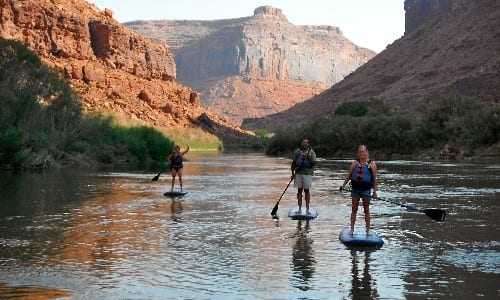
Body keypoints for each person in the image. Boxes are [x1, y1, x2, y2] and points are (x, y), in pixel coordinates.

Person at [340, 145, 378, 235]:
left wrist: (375, 192)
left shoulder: (372, 164)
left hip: (366, 190)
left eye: (363, 152)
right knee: (354, 209)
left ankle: (368, 230)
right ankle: (352, 229)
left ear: (366, 152)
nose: (362, 154)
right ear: (358, 153)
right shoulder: (354, 163)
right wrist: (343, 185)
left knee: (366, 210)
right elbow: (349, 175)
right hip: (355, 190)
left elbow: (375, 179)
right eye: (360, 152)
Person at [291, 138, 317, 214]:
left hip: (308, 174)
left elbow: (314, 163)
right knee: (299, 191)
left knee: (307, 191)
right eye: (303, 143)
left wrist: (309, 158)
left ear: (308, 144)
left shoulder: (311, 152)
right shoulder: (297, 152)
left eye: (306, 143)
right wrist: (292, 174)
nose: (305, 144)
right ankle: (299, 208)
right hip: (298, 173)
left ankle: (307, 209)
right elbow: (293, 163)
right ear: (301, 144)